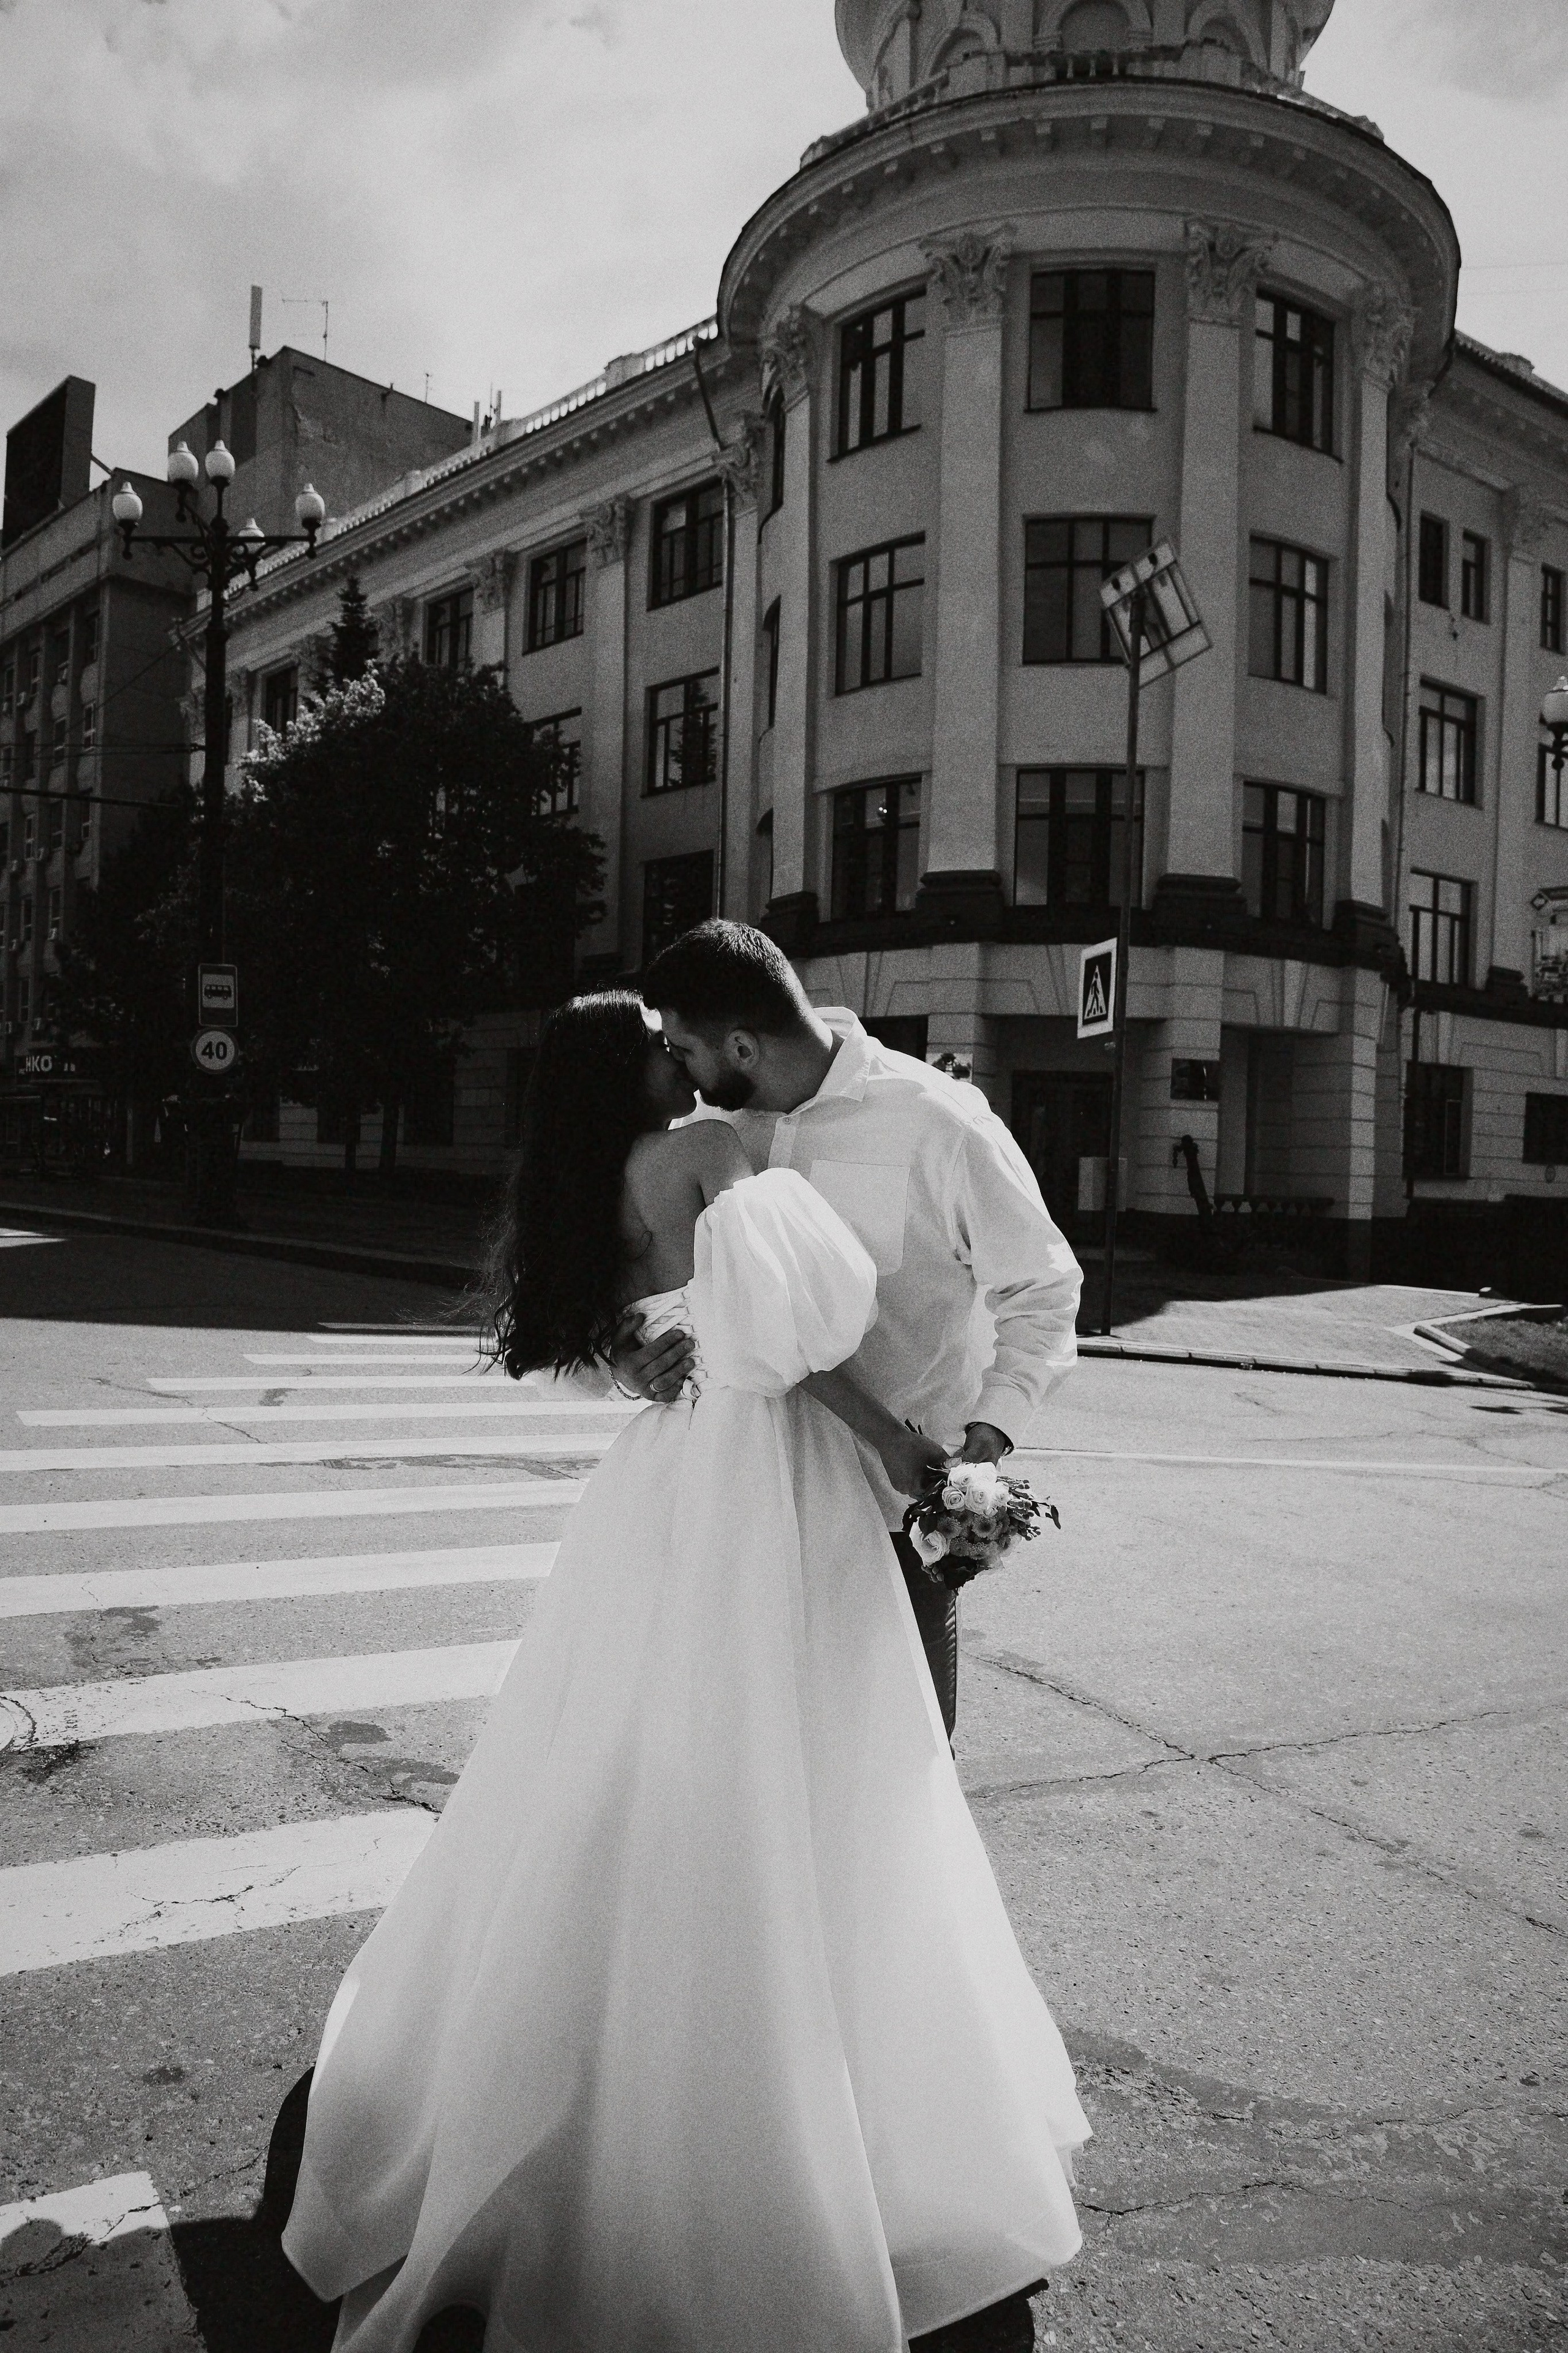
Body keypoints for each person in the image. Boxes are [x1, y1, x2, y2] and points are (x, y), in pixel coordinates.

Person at [281, 991, 1087, 2353]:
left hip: (659, 1482)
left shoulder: (586, 1180)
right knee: (828, 1748)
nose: (685, 1056)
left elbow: (607, 1327)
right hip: (770, 1466)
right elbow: (791, 1348)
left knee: (633, 1735)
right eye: (665, 1041)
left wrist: (637, 1347)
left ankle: (595, 2035)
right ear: (650, 1062)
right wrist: (898, 1443)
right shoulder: (716, 1149)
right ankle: (793, 2055)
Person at [632, 919, 1084, 1747]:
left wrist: (983, 1446)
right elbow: (684, 1286)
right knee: (749, 1765)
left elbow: (1044, 1286)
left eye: (682, 1047)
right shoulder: (714, 1133)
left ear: (739, 1044)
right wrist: (645, 1357)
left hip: (890, 1519)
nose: (676, 1067)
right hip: (743, 1502)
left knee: (900, 1768)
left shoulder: (938, 1122)